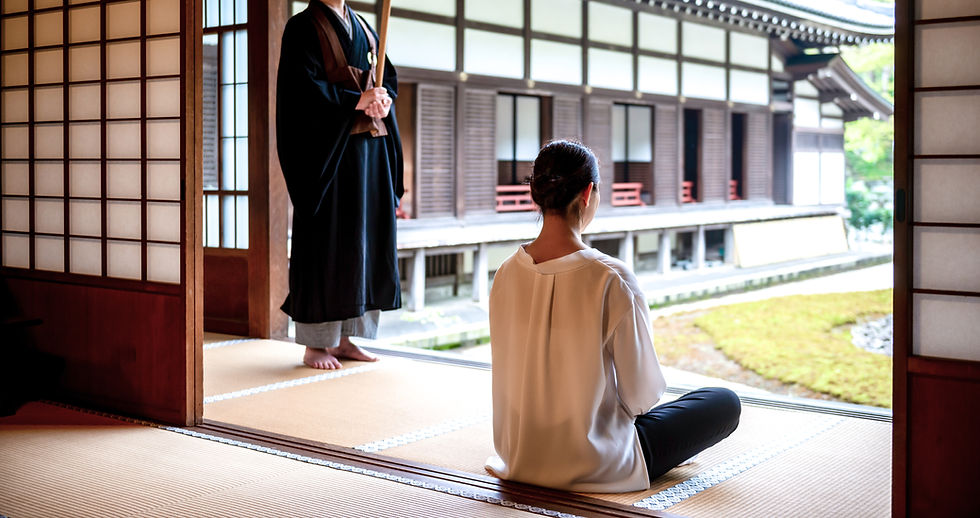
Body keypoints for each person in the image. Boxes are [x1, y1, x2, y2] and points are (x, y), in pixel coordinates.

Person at [486, 140, 741, 493]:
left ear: (535, 194)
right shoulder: (610, 277)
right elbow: (642, 396)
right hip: (596, 462)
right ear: (587, 193)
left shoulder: (505, 273)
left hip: (519, 455)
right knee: (723, 402)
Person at [276, 0, 403, 370]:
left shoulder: (364, 28)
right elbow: (301, 92)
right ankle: (316, 344)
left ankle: (348, 338)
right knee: (327, 243)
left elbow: (386, 78)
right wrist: (356, 100)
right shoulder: (302, 27)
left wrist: (382, 100)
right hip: (328, 157)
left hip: (369, 154)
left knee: (363, 242)